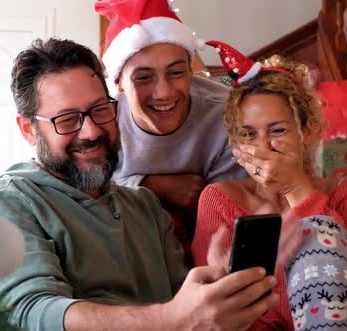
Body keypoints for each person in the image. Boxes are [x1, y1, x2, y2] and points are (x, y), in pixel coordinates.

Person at [0, 37, 278, 331]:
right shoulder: (6, 201)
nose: (91, 131)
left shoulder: (146, 207)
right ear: (29, 130)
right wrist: (169, 320)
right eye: (66, 119)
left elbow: (186, 309)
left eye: (100, 110)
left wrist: (220, 289)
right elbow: (26, 314)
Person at [192, 41, 347, 331]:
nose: (263, 146)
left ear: (307, 132)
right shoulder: (218, 200)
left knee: (321, 232)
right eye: (248, 134)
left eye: (278, 130)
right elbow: (221, 311)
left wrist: (295, 189)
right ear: (235, 143)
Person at [95, 0, 246, 257]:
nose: (163, 93)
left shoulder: (228, 113)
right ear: (119, 84)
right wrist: (150, 185)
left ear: (191, 72)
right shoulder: (103, 120)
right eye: (143, 77)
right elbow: (86, 192)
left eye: (176, 73)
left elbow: (236, 204)